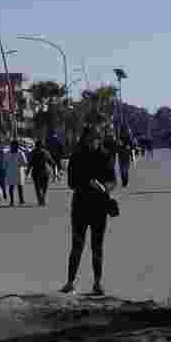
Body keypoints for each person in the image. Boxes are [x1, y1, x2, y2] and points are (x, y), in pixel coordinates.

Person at [60, 127, 116, 296]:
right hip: (80, 208)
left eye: (95, 138)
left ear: (99, 139)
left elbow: (113, 181)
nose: (92, 141)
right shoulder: (77, 157)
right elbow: (70, 182)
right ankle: (70, 283)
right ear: (85, 139)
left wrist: (103, 187)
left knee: (97, 247)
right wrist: (86, 183)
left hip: (99, 208)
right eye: (90, 139)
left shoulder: (105, 156)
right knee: (77, 246)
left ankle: (97, 283)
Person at [27, 138, 57, 207]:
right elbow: (52, 162)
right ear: (42, 145)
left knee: (37, 187)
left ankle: (40, 199)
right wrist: (54, 172)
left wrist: (27, 172)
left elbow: (30, 163)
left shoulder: (33, 152)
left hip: (36, 172)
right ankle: (43, 197)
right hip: (45, 172)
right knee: (44, 186)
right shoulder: (46, 152)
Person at [3, 139, 28, 206]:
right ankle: (18, 200)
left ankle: (15, 201)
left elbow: (4, 164)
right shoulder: (19, 152)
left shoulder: (9, 153)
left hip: (13, 172)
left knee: (14, 187)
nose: (14, 146)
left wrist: (5, 170)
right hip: (16, 172)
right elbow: (25, 162)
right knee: (18, 187)